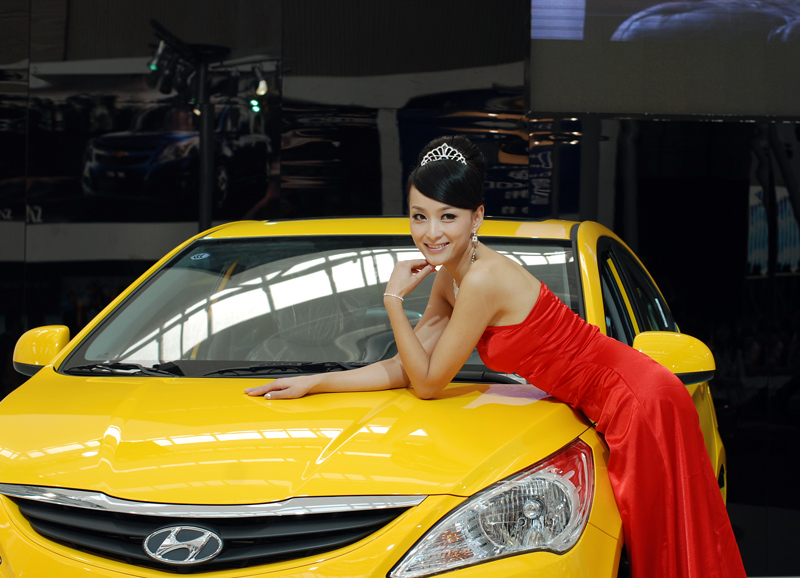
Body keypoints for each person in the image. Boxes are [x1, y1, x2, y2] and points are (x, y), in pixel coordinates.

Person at [245, 135, 747, 578]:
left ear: (477, 218)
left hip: (636, 398)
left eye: (448, 216)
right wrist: (316, 382)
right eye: (419, 216)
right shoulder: (453, 276)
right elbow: (409, 365)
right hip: (613, 399)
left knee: (665, 546)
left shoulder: (482, 280)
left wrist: (393, 300)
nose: (431, 232)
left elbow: (428, 384)